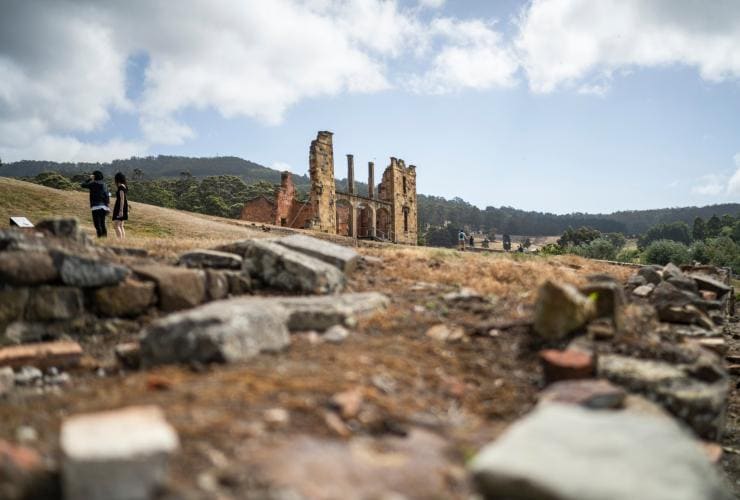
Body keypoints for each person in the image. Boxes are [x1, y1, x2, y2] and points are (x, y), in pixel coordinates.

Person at [81, 170, 110, 238]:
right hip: (104, 207)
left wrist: (89, 179)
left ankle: (100, 238)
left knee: (97, 225)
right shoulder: (105, 185)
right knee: (103, 224)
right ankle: (105, 238)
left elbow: (82, 185)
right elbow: (107, 196)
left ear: (94, 176)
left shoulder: (92, 184)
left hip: (96, 207)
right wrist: (108, 207)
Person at [112, 172, 129, 239]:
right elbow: (125, 199)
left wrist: (121, 210)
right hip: (123, 206)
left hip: (120, 207)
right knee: (121, 225)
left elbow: (122, 199)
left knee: (116, 225)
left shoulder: (121, 187)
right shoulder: (124, 186)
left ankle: (119, 240)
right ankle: (122, 241)